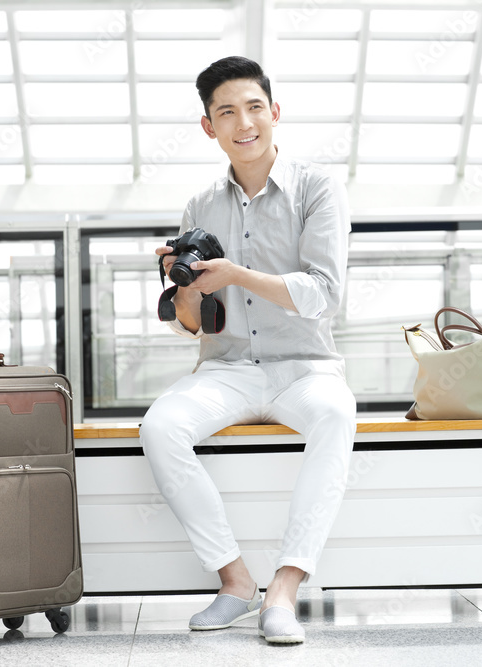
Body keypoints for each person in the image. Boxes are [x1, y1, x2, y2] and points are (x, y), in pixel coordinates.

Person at [139, 56, 356, 645]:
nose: (244, 123)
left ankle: (283, 591)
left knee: (336, 416)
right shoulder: (199, 206)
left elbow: (324, 295)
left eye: (254, 107)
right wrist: (183, 285)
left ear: (274, 113)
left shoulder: (317, 187)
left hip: (305, 367)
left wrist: (237, 273)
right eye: (226, 112)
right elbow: (193, 326)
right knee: (160, 426)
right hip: (229, 367)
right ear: (209, 127)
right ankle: (234, 582)